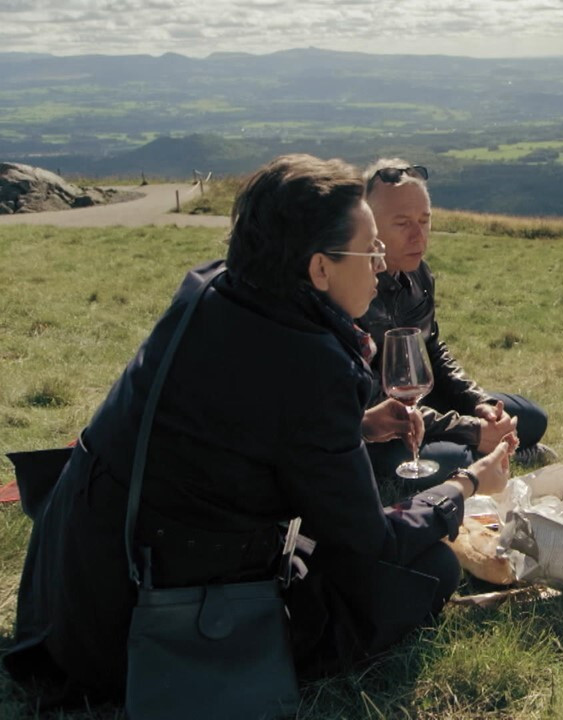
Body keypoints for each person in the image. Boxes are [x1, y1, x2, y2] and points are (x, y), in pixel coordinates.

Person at [3, 154, 518, 707]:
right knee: (428, 567)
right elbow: (374, 542)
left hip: (72, 584)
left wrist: (358, 427)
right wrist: (466, 485)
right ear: (319, 270)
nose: (380, 265)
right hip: (145, 625)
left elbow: (243, 429)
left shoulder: (215, 289)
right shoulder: (311, 365)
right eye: (369, 250)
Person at [357, 159, 553, 487]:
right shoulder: (353, 287)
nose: (418, 235)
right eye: (402, 223)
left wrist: (481, 405)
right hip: (382, 428)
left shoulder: (420, 274)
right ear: (369, 226)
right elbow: (370, 400)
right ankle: (490, 453)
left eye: (425, 220)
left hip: (427, 405)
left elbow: (434, 350)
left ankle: (495, 445)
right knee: (438, 458)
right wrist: (470, 430)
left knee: (532, 418)